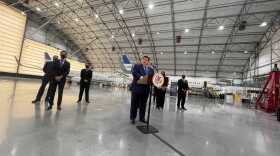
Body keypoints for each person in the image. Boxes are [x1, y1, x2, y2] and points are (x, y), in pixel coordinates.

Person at [130, 56, 154, 124]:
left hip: (146, 90)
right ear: (141, 60)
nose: (144, 61)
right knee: (134, 104)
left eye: (146, 60)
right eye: (143, 59)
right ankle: (133, 118)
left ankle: (142, 118)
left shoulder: (151, 70)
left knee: (143, 105)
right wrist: (141, 77)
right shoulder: (137, 66)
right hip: (137, 89)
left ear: (148, 62)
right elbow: (134, 72)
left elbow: (152, 78)